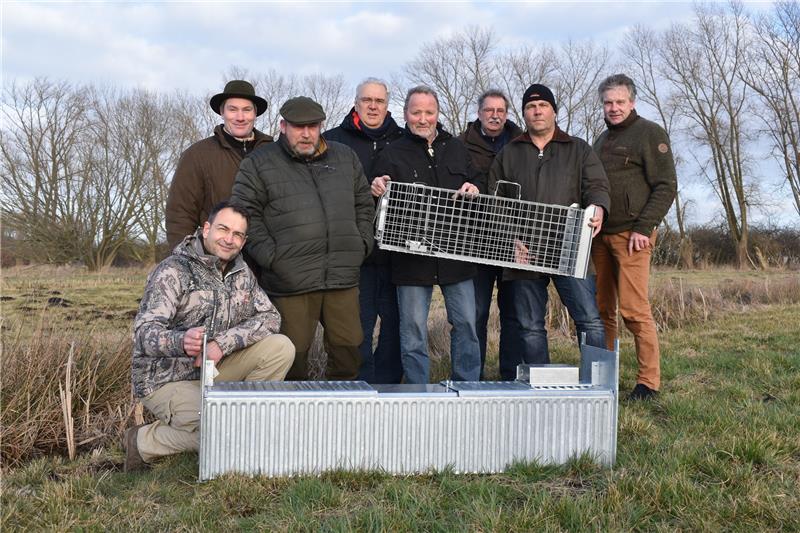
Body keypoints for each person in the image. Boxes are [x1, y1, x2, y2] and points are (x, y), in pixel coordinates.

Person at [125, 201, 295, 472]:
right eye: (223, 229)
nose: (229, 239)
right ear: (206, 229)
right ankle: (144, 442)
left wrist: (221, 344)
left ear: (244, 240)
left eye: (238, 234)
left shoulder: (242, 273)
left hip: (214, 371)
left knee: (280, 347)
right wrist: (181, 341)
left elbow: (271, 318)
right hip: (165, 380)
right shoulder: (173, 271)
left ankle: (243, 429)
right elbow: (144, 334)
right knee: (222, 427)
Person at [230, 96, 374, 381]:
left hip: (342, 275)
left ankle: (339, 417)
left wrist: (361, 244)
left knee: (349, 351)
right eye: (298, 127)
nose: (306, 134)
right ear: (283, 126)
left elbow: (363, 204)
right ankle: (293, 419)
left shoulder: (345, 157)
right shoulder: (260, 162)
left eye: (312, 126)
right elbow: (246, 215)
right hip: (291, 280)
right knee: (292, 356)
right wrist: (273, 258)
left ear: (321, 126)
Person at [488, 83, 610, 377]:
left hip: (569, 245)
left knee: (589, 319)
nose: (537, 111)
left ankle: (598, 384)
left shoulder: (578, 149)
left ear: (554, 111)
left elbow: (597, 186)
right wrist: (510, 239)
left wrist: (599, 207)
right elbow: (495, 203)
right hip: (524, 252)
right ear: (524, 113)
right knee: (530, 327)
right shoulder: (509, 152)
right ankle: (540, 387)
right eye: (531, 107)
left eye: (543, 105)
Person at [371, 85, 482, 384]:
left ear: (437, 114)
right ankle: (418, 391)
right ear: (406, 114)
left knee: (466, 324)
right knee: (413, 330)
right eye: (416, 112)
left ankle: (466, 386)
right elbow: (377, 201)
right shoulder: (391, 153)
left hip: (456, 255)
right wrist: (377, 188)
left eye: (429, 112)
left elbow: (477, 181)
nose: (423, 118)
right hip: (410, 259)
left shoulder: (458, 148)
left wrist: (475, 187)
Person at [592, 74, 677, 400]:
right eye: (608, 103)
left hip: (632, 237)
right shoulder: (600, 141)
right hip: (601, 238)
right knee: (603, 312)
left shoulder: (649, 133)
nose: (613, 108)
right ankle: (605, 376)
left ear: (632, 102)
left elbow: (666, 185)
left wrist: (644, 227)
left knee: (634, 310)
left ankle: (648, 383)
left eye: (619, 102)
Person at [323, 78, 404, 384]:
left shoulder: (404, 140)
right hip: (354, 254)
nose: (373, 106)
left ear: (387, 104)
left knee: (396, 327)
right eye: (366, 100)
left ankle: (389, 389)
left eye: (379, 101)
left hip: (397, 253)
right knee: (358, 328)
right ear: (356, 103)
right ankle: (360, 389)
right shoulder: (333, 141)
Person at [459, 89, 523, 379]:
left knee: (513, 314)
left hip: (515, 241)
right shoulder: (462, 144)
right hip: (477, 242)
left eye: (500, 110)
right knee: (476, 313)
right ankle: (473, 376)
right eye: (489, 110)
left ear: (507, 113)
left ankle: (510, 375)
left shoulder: (521, 143)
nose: (495, 115)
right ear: (479, 112)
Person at [165, 80, 272, 248]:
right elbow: (179, 215)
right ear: (222, 112)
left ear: (255, 113)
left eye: (247, 110)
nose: (240, 117)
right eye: (232, 109)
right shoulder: (197, 155)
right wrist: (186, 262)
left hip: (267, 262)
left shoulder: (273, 152)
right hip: (218, 260)